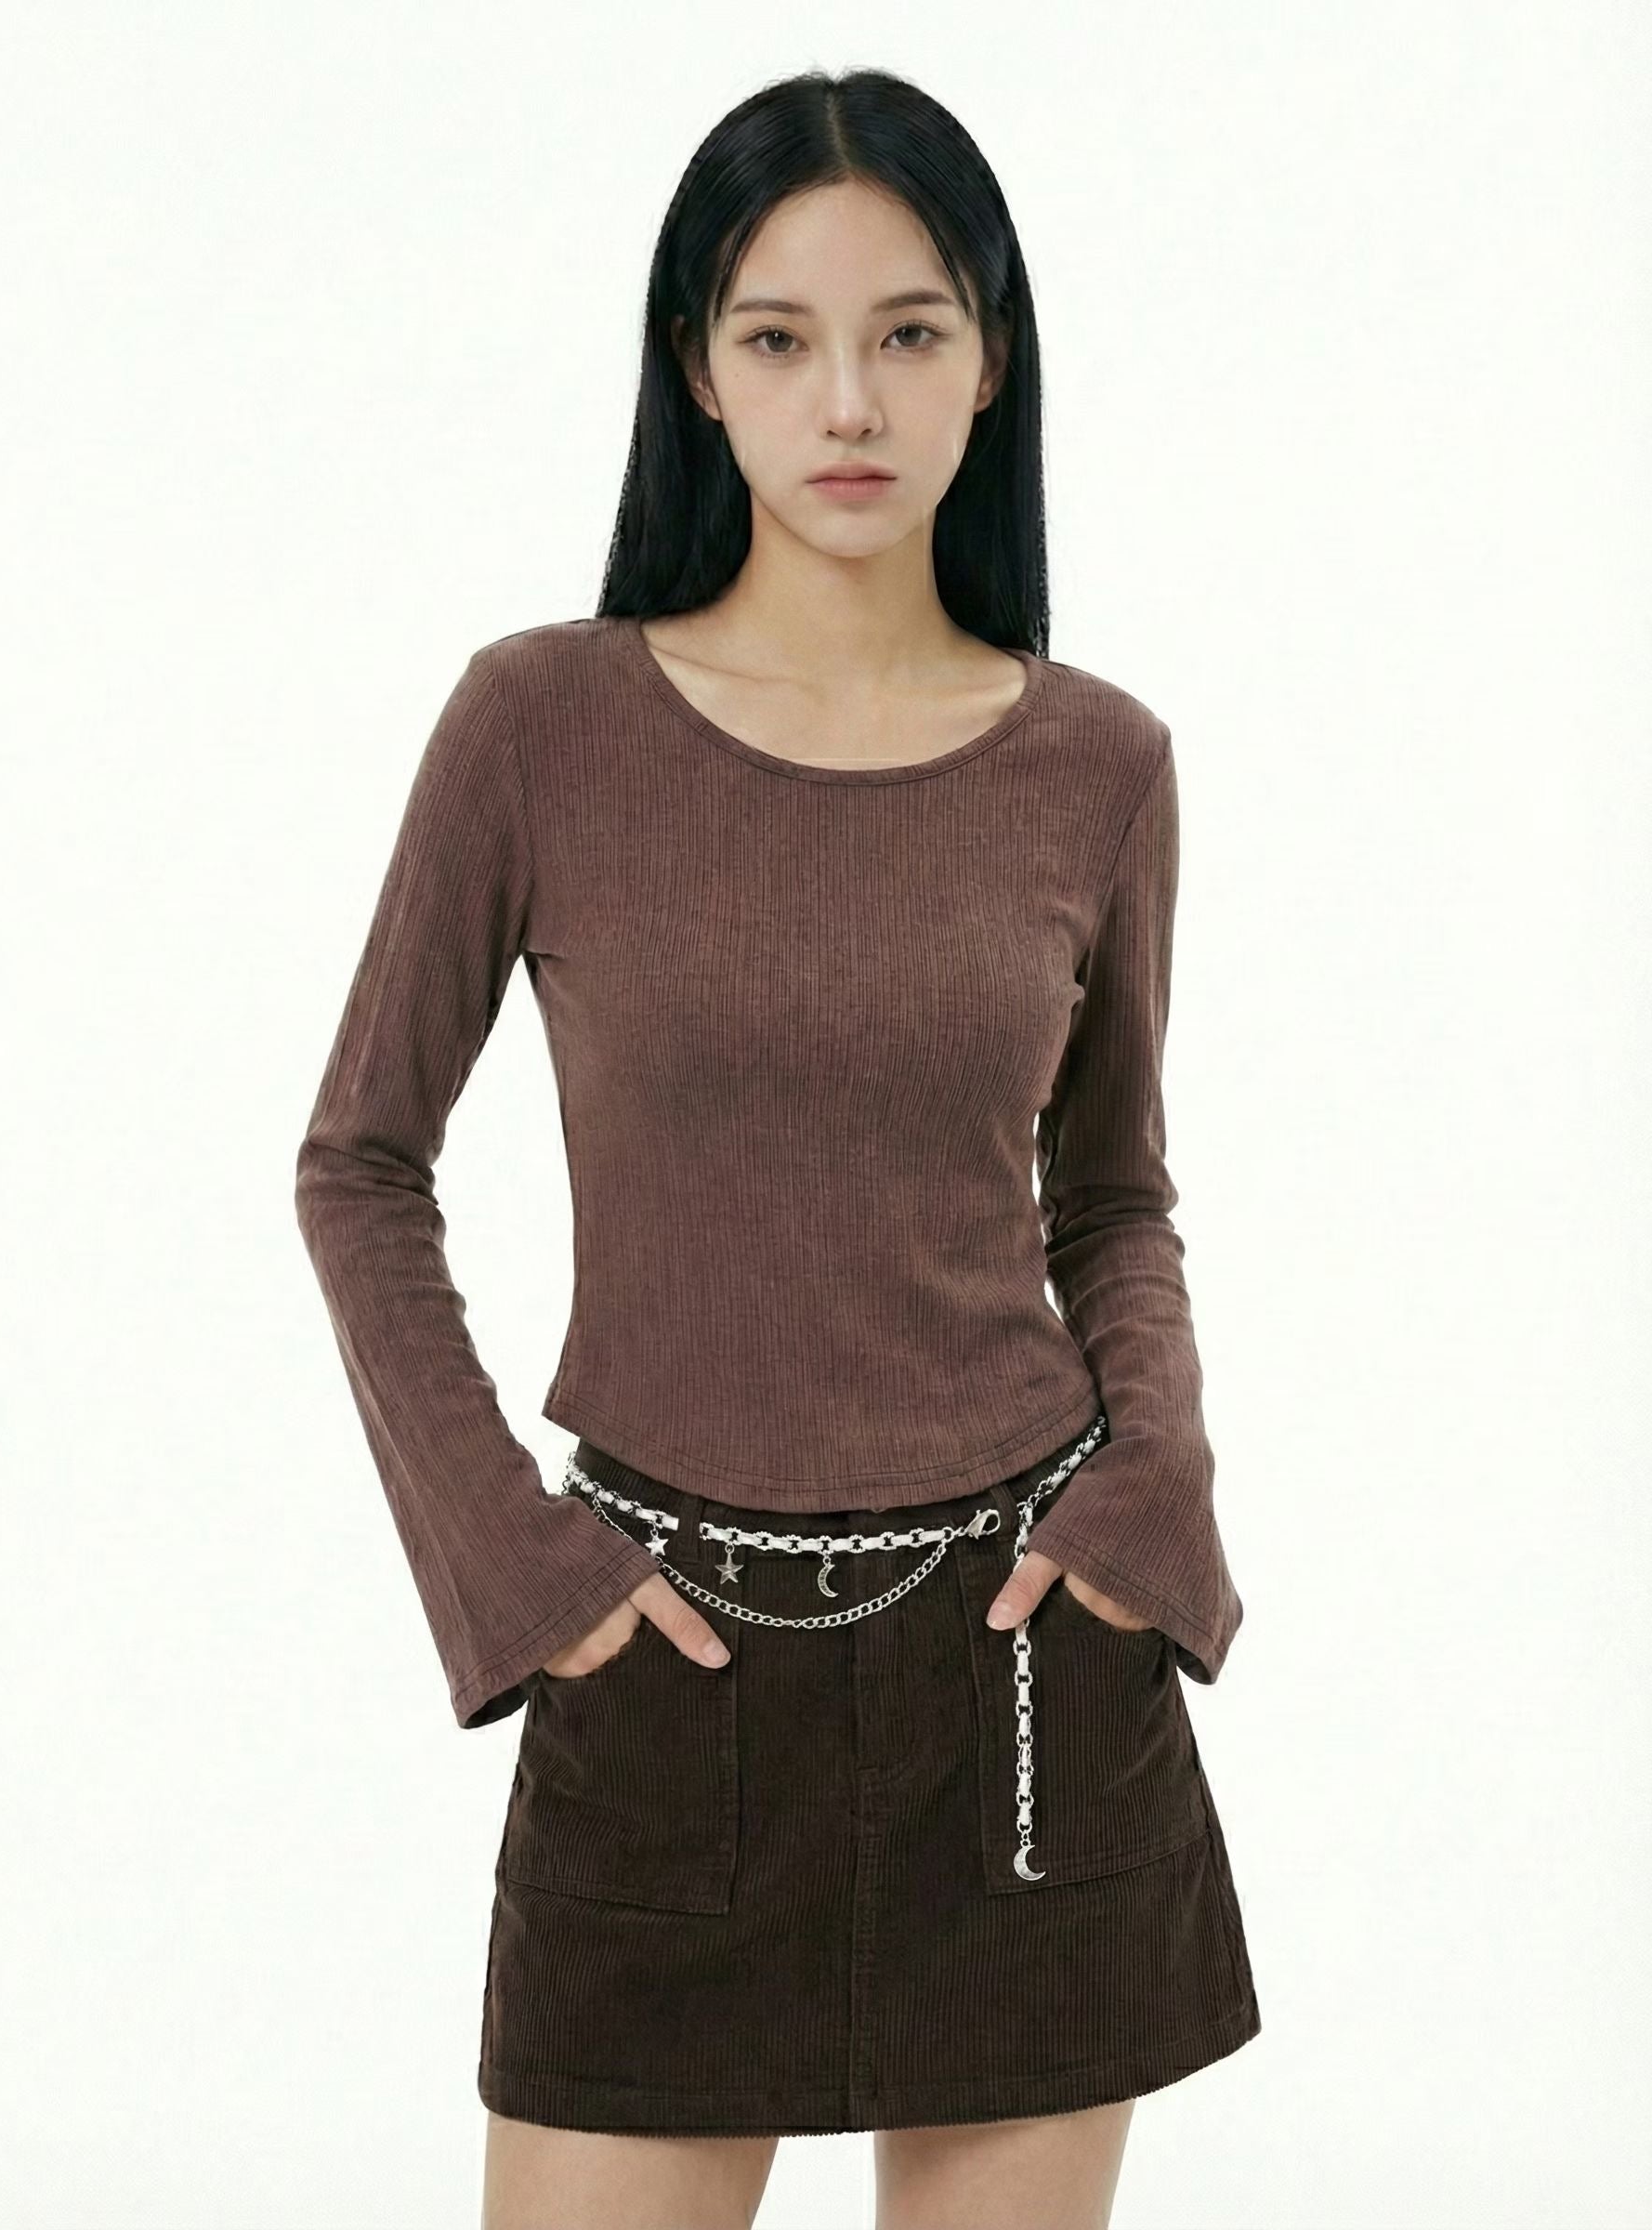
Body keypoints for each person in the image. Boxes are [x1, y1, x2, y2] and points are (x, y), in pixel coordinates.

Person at [294, 63, 1260, 2230]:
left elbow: (1111, 1199)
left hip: (1024, 1681)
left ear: (988, 360)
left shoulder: (1097, 764)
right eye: (777, 334)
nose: (846, 400)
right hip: (664, 1667)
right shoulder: (537, 726)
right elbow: (358, 1164)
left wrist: (1150, 1493)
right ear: (695, 370)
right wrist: (517, 1566)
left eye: (906, 332)